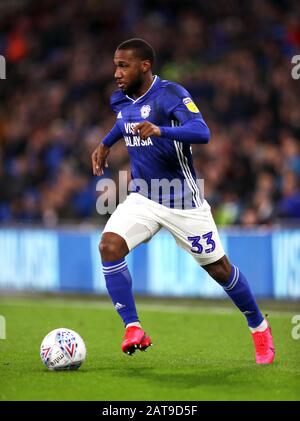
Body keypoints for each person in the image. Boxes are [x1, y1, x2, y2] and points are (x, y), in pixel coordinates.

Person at [91, 38, 275, 364]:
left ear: (144, 66)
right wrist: (106, 143)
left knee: (219, 269)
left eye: (124, 65)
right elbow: (124, 121)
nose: (117, 72)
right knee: (108, 246)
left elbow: (202, 132)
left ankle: (259, 326)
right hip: (143, 197)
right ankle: (133, 327)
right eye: (116, 65)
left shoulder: (171, 94)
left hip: (183, 202)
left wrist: (161, 131)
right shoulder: (120, 99)